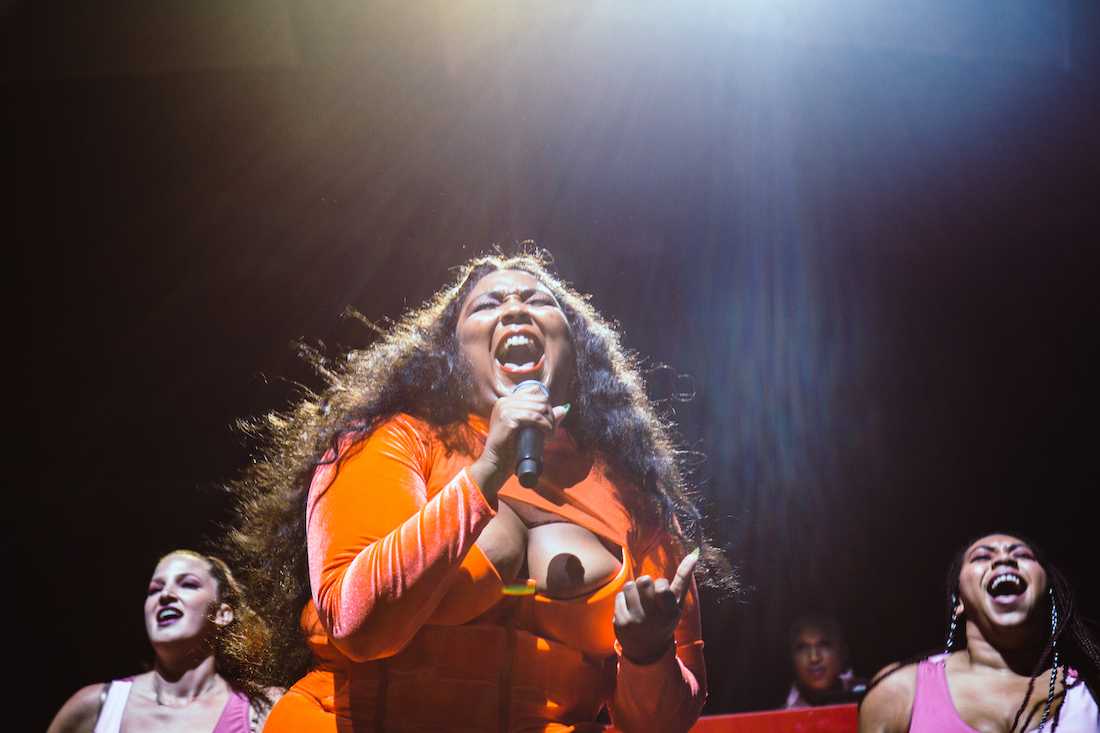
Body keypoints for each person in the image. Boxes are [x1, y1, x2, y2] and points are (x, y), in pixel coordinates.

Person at [224, 250, 732, 732]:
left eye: (537, 301)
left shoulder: (635, 496)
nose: (514, 309)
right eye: (488, 304)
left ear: (576, 348)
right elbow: (360, 624)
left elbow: (664, 723)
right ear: (451, 355)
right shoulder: (398, 439)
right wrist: (489, 469)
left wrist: (648, 654)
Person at [859, 533, 1100, 732]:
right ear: (959, 602)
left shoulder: (1089, 684)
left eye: (1022, 555)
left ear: (1048, 591)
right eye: (982, 557)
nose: (1004, 560)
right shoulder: (900, 690)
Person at [48, 549, 278, 733]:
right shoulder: (93, 708)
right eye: (154, 589)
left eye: (188, 584)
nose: (165, 595)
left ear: (222, 614)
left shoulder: (264, 709)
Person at [783, 613, 866, 708]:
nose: (814, 658)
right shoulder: (780, 715)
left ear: (843, 652)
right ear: (791, 658)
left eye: (824, 644)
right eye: (802, 648)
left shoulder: (867, 696)